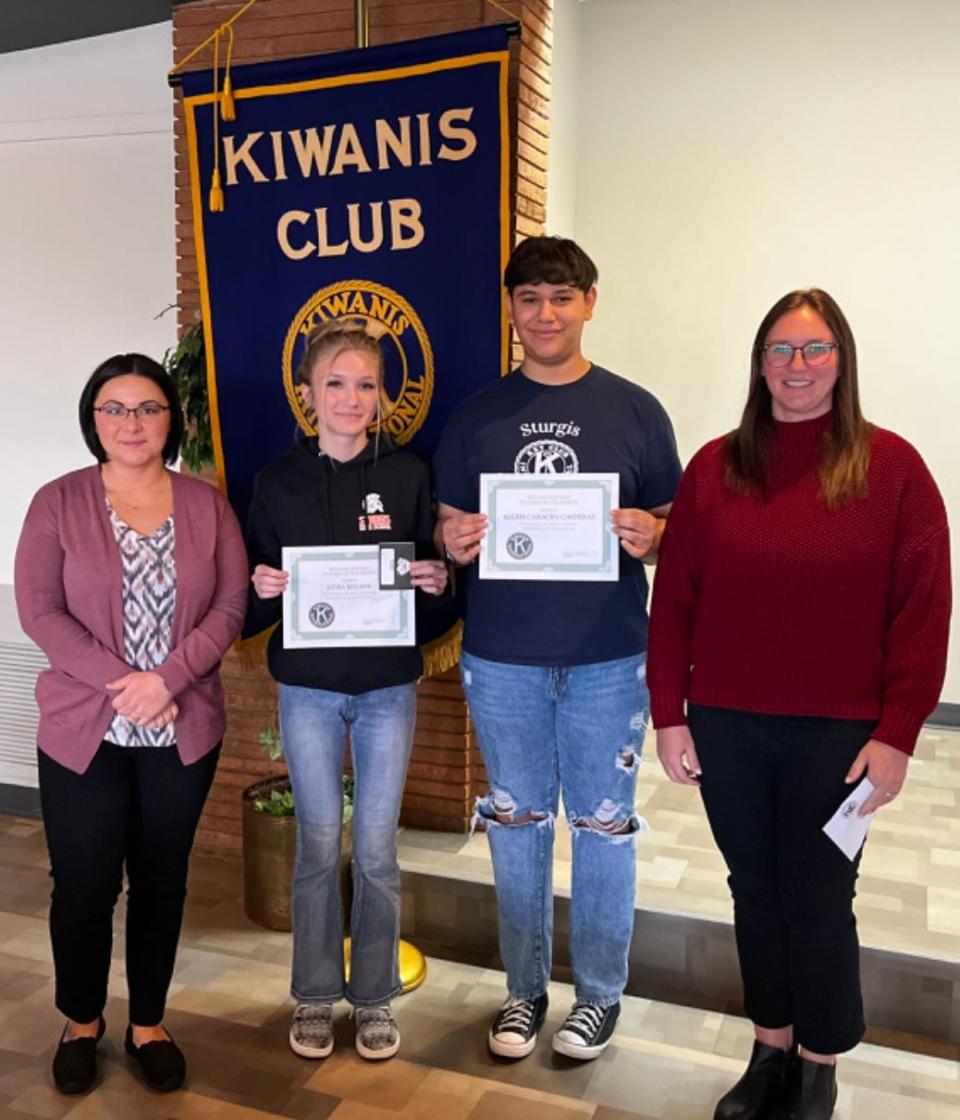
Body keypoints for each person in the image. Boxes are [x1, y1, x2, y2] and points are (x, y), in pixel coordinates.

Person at [648, 289, 951, 1120]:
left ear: (842, 361)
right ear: (759, 363)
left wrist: (896, 735)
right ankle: (770, 1048)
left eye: (815, 350)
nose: (797, 367)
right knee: (753, 887)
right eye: (780, 350)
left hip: (839, 735)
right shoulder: (715, 467)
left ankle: (820, 1063)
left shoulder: (893, 470)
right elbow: (675, 599)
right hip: (728, 724)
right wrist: (669, 712)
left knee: (820, 893)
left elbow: (923, 613)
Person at [433, 236, 682, 1061]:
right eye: (530, 299)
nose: (545, 314)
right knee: (517, 825)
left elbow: (675, 530)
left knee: (605, 828)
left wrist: (655, 535)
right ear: (511, 309)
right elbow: (443, 524)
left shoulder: (637, 410)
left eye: (561, 297)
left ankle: (600, 996)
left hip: (610, 658)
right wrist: (455, 537)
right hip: (501, 657)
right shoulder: (474, 416)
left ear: (590, 303)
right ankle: (524, 991)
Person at [14, 354, 248, 1095]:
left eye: (147, 408)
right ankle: (81, 1021)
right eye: (114, 409)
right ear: (93, 420)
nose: (131, 423)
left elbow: (232, 607)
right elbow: (40, 612)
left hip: (181, 729)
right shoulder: (57, 502)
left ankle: (148, 1023)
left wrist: (169, 680)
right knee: (82, 882)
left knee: (161, 880)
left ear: (171, 419)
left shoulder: (208, 504)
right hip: (88, 727)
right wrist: (129, 686)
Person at [245, 319, 447, 1062]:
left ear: (383, 395)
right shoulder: (275, 482)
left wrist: (436, 576)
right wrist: (261, 584)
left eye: (366, 383)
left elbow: (433, 578)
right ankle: (312, 995)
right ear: (308, 394)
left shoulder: (411, 476)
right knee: (318, 846)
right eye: (335, 382)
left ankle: (373, 1000)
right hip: (307, 690)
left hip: (388, 688)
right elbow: (261, 591)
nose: (351, 397)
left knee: (378, 849)